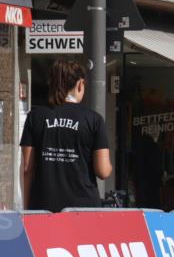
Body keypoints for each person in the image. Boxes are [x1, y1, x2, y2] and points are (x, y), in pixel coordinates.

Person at [20, 60, 112, 212]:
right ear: (80, 84)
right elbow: (102, 171)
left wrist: (27, 208)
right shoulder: (93, 120)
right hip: (84, 208)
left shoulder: (35, 117)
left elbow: (27, 169)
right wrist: (109, 167)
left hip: (44, 206)